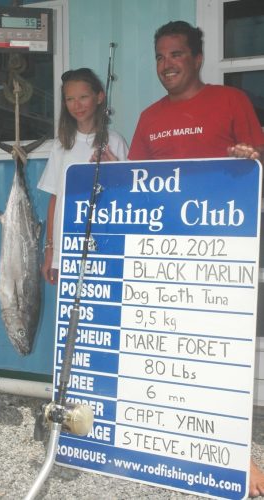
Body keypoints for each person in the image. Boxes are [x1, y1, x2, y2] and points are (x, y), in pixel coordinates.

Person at [128, 20, 264, 498]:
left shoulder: (232, 102)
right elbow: (136, 186)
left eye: (177, 55)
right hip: (166, 254)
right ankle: (178, 438)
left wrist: (252, 157)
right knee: (173, 350)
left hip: (225, 255)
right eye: (161, 56)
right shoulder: (148, 118)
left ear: (198, 58)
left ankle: (237, 451)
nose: (167, 64)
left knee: (225, 353)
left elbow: (260, 160)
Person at [38, 68, 128, 284]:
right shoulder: (61, 145)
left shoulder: (115, 142)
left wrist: (115, 171)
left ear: (99, 97)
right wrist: (50, 249)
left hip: (106, 244)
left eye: (83, 97)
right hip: (66, 247)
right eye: (70, 99)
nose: (76, 105)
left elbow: (128, 198)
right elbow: (55, 199)